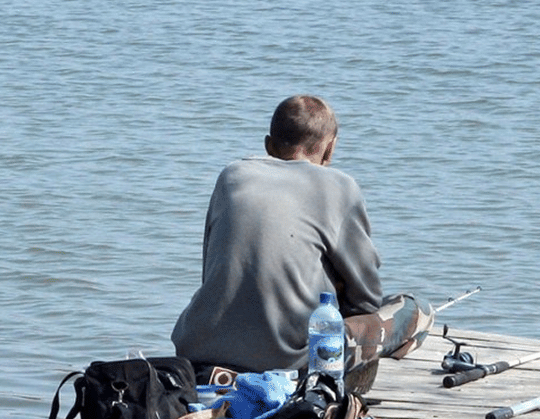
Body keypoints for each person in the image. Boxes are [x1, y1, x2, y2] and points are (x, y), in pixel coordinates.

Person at [171, 94, 433, 392]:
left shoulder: (232, 176)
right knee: (417, 310)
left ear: (269, 145)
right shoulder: (339, 187)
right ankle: (345, 384)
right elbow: (367, 301)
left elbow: (215, 274)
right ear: (330, 148)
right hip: (293, 365)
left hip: (200, 352)